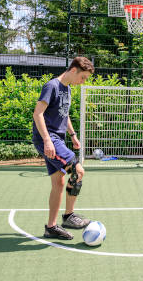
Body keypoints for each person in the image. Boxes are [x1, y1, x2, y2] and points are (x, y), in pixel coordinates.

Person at [32, 56, 95, 240]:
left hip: (58, 138)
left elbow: (63, 114)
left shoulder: (67, 89)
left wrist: (73, 135)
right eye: (83, 77)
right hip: (49, 139)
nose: (83, 82)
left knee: (59, 183)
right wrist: (47, 141)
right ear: (73, 70)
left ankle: (51, 227)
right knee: (78, 172)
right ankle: (69, 216)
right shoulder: (51, 86)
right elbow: (38, 114)